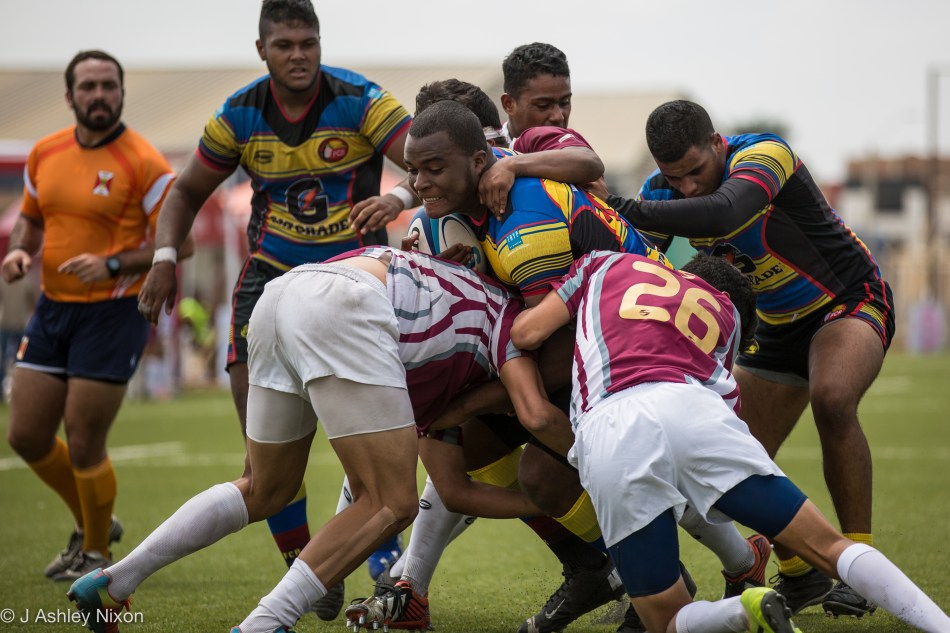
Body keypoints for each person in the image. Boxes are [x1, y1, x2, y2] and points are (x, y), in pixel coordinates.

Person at [68, 245, 559, 633]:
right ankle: (265, 623)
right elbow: (534, 414)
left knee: (263, 486)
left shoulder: (461, 289)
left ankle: (115, 581)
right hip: (343, 306)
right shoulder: (510, 328)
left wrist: (536, 503)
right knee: (389, 502)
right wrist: (574, 490)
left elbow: (452, 489)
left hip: (285, 294)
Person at [135, 0, 416, 619]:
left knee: (372, 451)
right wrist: (162, 256)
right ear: (262, 49)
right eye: (285, 45)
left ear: (320, 43)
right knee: (262, 459)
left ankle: (380, 563)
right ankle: (304, 563)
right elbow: (184, 192)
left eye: (308, 43)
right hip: (269, 280)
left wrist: (396, 193)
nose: (299, 55)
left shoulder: (361, 99)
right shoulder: (239, 113)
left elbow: (427, 153)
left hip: (353, 286)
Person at [509, 250, 949, 633]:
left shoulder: (604, 263)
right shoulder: (726, 315)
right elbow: (722, 398)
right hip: (694, 409)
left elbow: (526, 334)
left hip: (611, 426)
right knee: (831, 546)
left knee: (663, 621)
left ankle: (745, 608)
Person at [616, 99, 895, 617]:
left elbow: (726, 210)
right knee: (719, 449)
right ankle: (798, 572)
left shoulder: (766, 153)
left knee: (833, 399)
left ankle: (861, 565)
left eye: (696, 171)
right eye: (674, 180)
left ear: (717, 142)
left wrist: (626, 207)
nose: (688, 188)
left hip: (848, 300)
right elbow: (631, 265)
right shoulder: (661, 193)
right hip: (773, 328)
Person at [0, 50, 182, 581]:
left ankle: (98, 555)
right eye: (88, 87)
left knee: (83, 441)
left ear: (121, 93)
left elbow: (180, 244)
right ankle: (93, 519)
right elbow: (30, 221)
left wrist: (112, 263)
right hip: (51, 311)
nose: (99, 95)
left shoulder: (144, 161)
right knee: (26, 436)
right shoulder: (44, 153)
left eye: (108, 86)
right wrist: (19, 250)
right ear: (70, 96)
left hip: (112, 314)